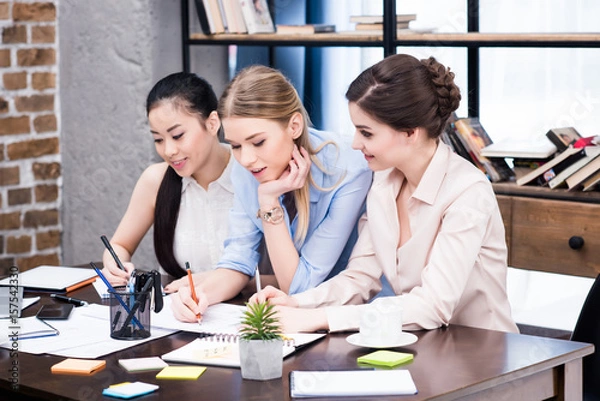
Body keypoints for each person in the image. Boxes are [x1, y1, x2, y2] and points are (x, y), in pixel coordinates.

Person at [251, 54, 519, 334]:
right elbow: (359, 278)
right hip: (426, 346)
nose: (355, 143)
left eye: (366, 133)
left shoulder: (467, 191)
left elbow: (433, 305)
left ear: (410, 133)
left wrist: (321, 319)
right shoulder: (383, 182)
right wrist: (295, 304)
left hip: (483, 352)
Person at [170, 65, 372, 322]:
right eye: (235, 145)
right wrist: (196, 296)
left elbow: (299, 287)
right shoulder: (247, 170)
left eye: (258, 142)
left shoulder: (349, 169)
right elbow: (237, 262)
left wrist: (268, 200)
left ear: (294, 126)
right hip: (298, 322)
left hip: (353, 318)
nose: (246, 159)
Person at [101, 72, 234, 287]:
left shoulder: (250, 173)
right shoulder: (156, 181)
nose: (169, 150)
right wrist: (115, 264)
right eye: (158, 139)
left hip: (255, 314)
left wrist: (216, 282)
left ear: (212, 123)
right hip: (179, 313)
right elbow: (119, 245)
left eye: (178, 135)